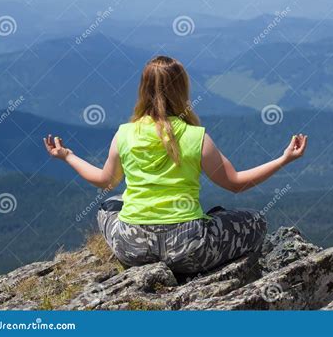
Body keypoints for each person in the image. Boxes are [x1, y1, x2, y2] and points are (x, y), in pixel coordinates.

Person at [43, 56, 308, 274]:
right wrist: (284, 159)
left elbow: (106, 181)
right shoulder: (196, 137)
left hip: (132, 249)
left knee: (108, 205)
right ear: (182, 90)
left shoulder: (124, 133)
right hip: (189, 248)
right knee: (256, 220)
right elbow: (236, 184)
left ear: (143, 90)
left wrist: (68, 156)